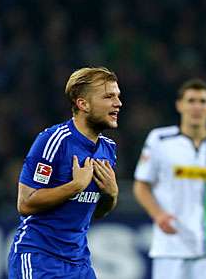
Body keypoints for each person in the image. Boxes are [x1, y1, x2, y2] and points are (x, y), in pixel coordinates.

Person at [7, 67, 122, 279]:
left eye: (117, 96)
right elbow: (25, 204)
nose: (118, 103)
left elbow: (94, 211)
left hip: (79, 264)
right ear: (83, 104)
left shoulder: (108, 148)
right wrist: (74, 187)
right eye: (108, 96)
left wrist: (112, 194)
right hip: (39, 258)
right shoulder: (54, 141)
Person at [133, 79, 206, 279]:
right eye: (191, 100)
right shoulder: (160, 140)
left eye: (202, 101)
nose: (197, 107)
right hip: (169, 246)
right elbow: (141, 185)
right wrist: (158, 215)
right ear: (179, 105)